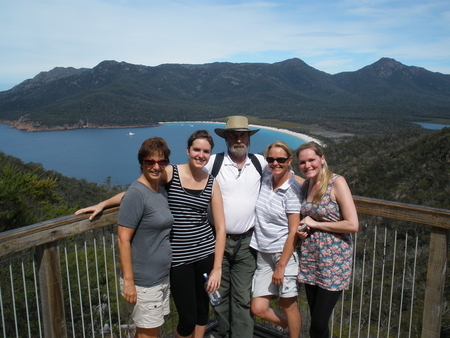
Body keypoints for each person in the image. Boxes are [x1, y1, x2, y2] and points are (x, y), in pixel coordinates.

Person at [76, 130, 226, 338]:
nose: (201, 155)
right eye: (196, 150)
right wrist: (104, 203)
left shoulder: (211, 183)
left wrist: (217, 268)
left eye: (206, 151)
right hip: (178, 258)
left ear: (211, 154)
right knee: (187, 319)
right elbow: (140, 190)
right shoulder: (170, 172)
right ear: (188, 151)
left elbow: (220, 227)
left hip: (205, 253)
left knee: (202, 310)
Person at [203, 116, 268, 338]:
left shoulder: (260, 163)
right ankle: (225, 333)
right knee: (218, 296)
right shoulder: (214, 162)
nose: (238, 139)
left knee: (242, 297)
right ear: (226, 138)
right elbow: (182, 178)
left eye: (242, 135)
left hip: (247, 243)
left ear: (249, 138)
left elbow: (287, 177)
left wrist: (324, 185)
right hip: (216, 241)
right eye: (233, 135)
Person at [295, 141, 359, 338]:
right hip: (311, 258)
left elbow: (352, 224)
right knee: (315, 320)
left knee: (319, 322)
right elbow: (307, 216)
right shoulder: (307, 184)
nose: (308, 166)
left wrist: (316, 225)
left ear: (322, 159)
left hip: (334, 262)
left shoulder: (337, 182)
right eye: (303, 162)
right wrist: (302, 229)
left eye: (312, 160)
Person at [117, 137, 174, 338]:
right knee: (148, 333)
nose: (156, 166)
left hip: (160, 277)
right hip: (143, 280)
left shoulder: (159, 190)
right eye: (150, 162)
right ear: (141, 162)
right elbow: (123, 239)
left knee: (148, 331)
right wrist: (129, 282)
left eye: (161, 162)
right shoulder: (137, 193)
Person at [250, 141, 302, 338]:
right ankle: (293, 326)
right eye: (271, 159)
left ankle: (295, 333)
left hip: (283, 253)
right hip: (263, 252)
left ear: (289, 161)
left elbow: (293, 231)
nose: (275, 163)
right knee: (258, 307)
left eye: (281, 159)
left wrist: (281, 266)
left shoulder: (293, 190)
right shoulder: (265, 176)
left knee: (287, 303)